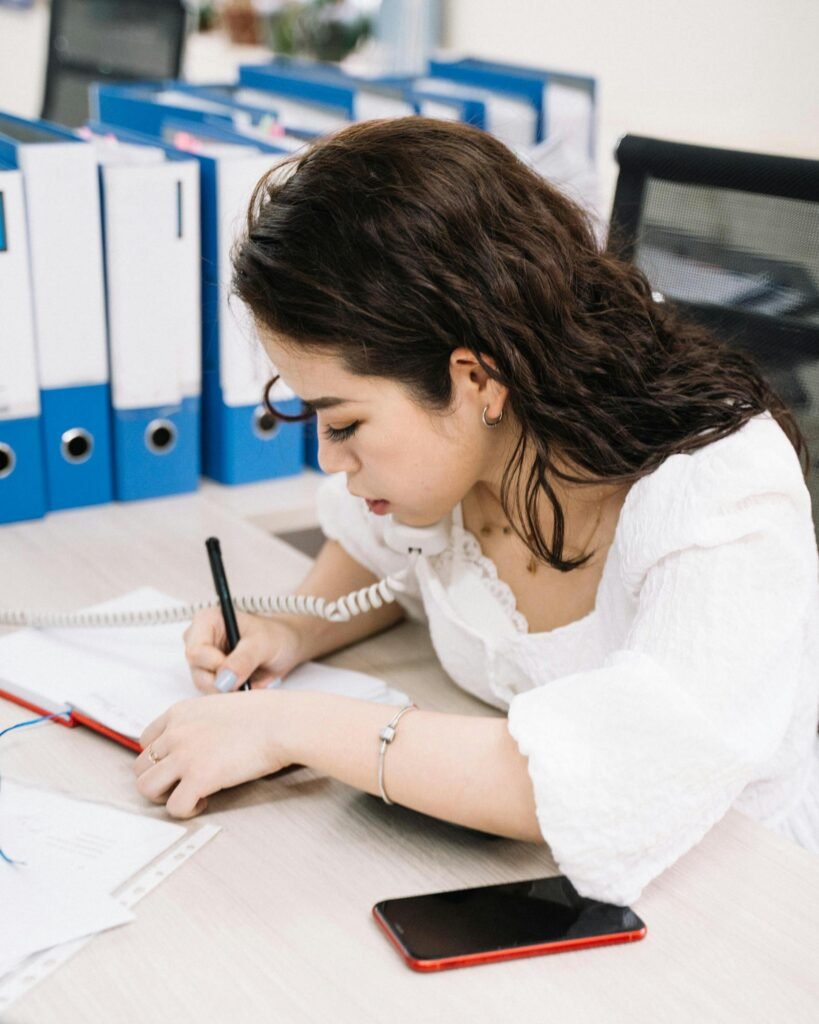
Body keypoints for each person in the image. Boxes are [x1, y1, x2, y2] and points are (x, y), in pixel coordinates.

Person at [133, 119, 819, 906]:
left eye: (345, 424)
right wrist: (294, 627)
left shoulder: (719, 489)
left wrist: (288, 726)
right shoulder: (465, 458)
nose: (329, 459)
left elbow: (610, 780)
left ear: (475, 379)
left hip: (742, 894)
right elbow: (377, 554)